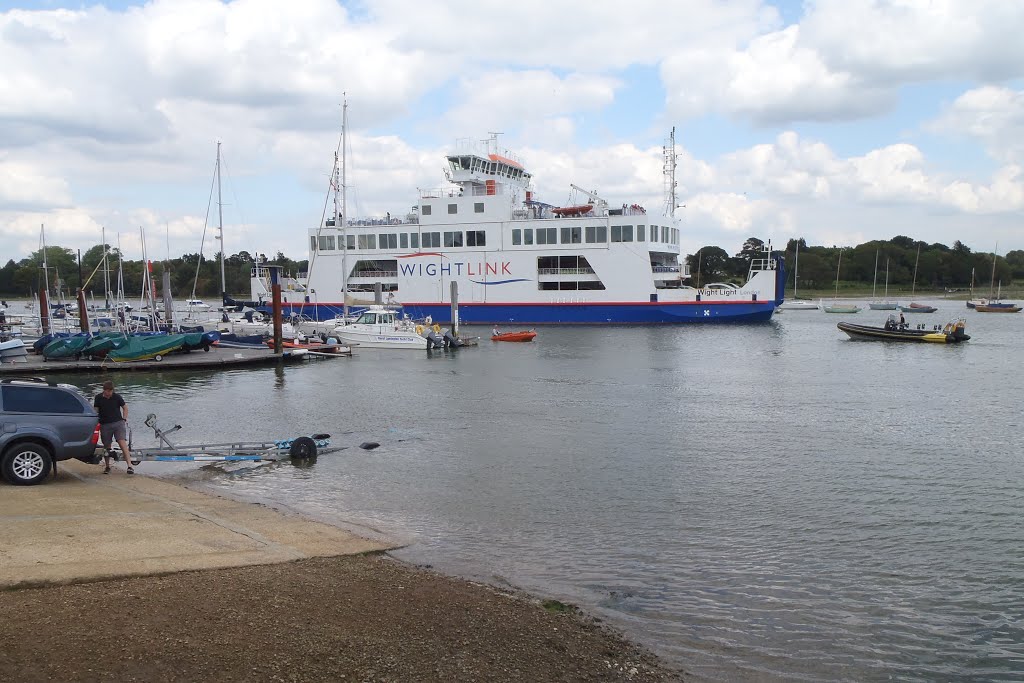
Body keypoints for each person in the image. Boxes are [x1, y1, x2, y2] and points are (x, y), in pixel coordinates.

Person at [94, 380, 133, 474]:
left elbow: (125, 407)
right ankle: (107, 466)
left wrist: (124, 419)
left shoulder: (117, 397)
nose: (109, 394)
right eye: (108, 392)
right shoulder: (98, 398)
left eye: (111, 392)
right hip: (105, 425)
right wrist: (95, 422)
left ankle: (130, 466)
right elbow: (96, 410)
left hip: (118, 423)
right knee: (107, 446)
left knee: (121, 442)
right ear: (104, 390)